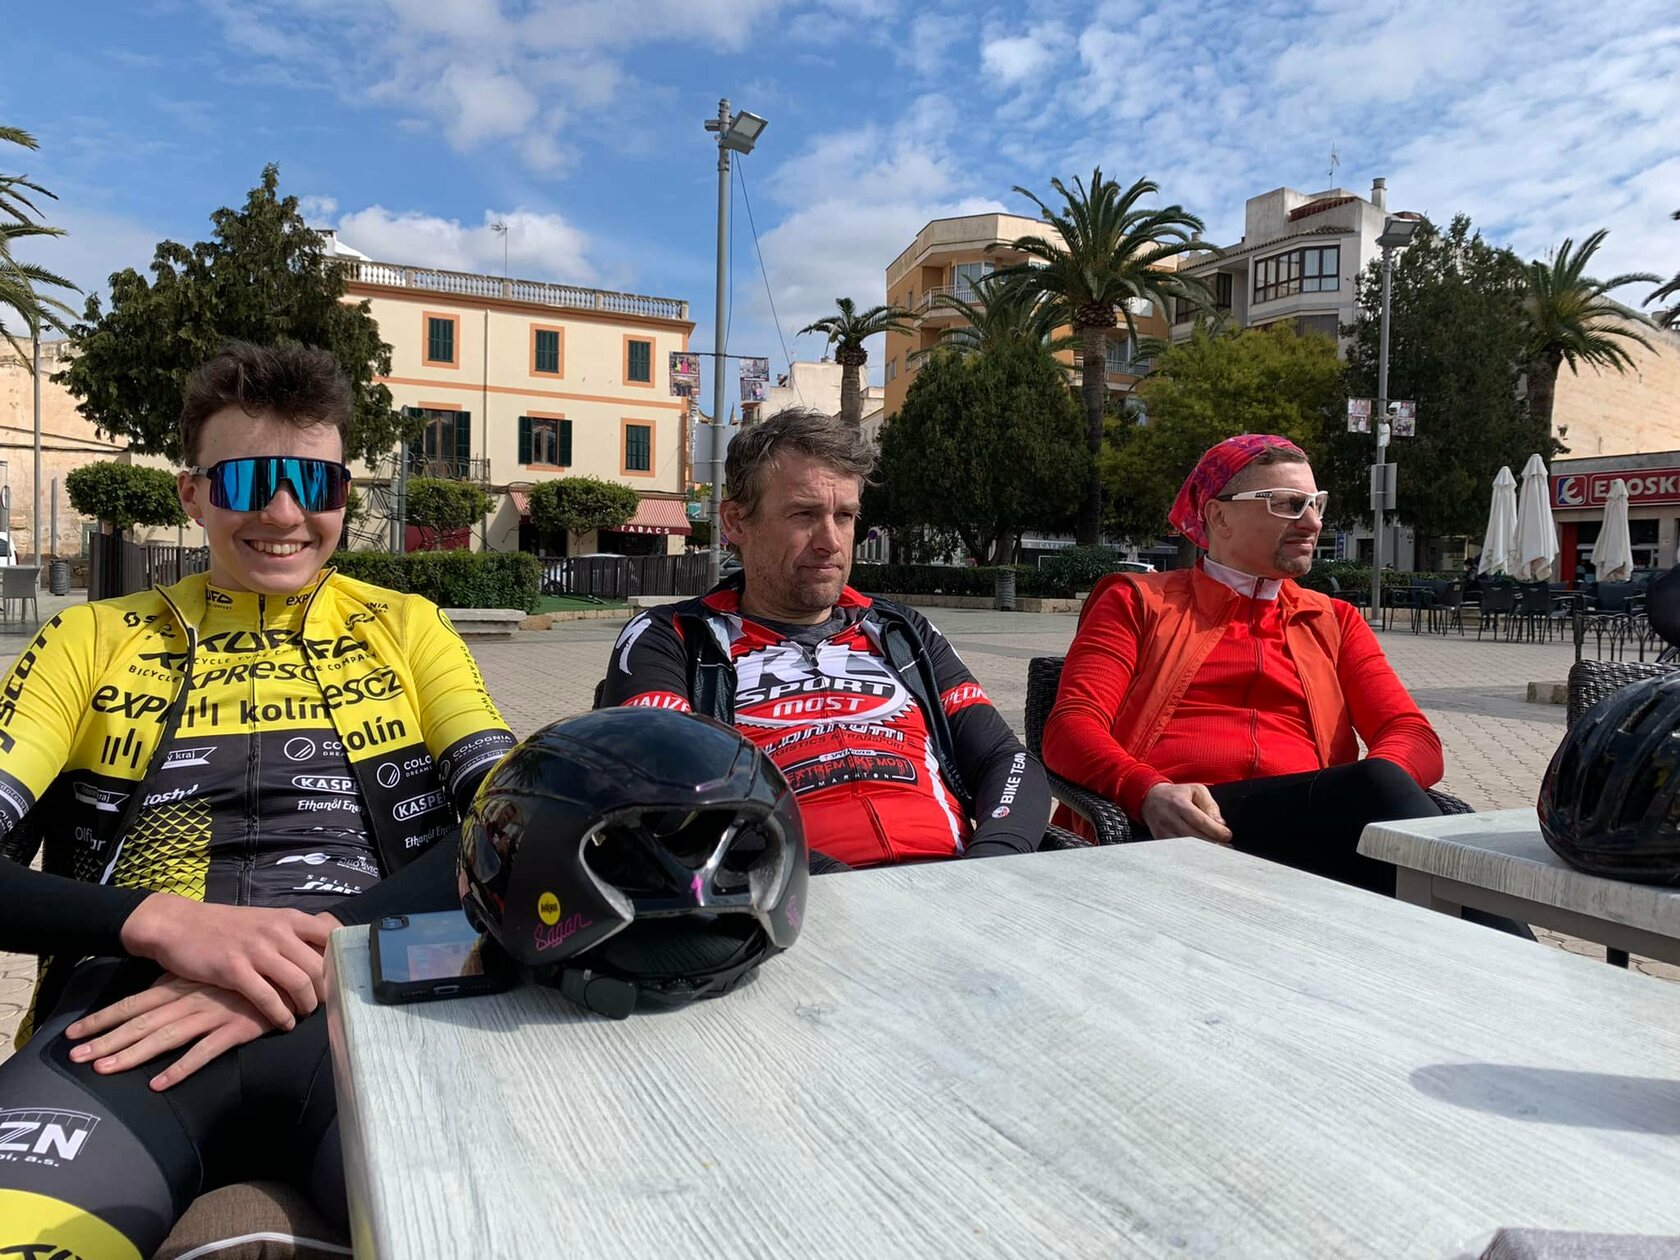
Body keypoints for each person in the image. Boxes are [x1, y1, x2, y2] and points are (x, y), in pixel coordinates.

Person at [0, 342, 514, 1257]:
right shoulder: (89, 637)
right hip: (129, 1016)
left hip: (375, 990)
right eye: (246, 481)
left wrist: (314, 952)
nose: (283, 513)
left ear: (344, 495)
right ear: (192, 495)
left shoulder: (408, 625)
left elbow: (519, 819)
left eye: (314, 482)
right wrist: (161, 923)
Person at [599, 407, 1049, 871]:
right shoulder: (672, 636)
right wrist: (826, 883)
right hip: (791, 896)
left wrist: (992, 865)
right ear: (735, 522)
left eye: (845, 516)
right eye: (804, 514)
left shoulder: (902, 631)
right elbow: (667, 790)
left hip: (957, 879)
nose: (830, 541)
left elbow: (1006, 760)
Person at [1042, 434, 1447, 895]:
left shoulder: (1334, 620)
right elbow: (1071, 727)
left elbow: (1412, 735)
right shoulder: (1138, 601)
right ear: (1219, 516)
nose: (1313, 522)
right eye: (1288, 504)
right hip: (1171, 826)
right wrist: (1146, 791)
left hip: (1312, 831)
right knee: (1389, 810)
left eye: (1316, 504)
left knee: (1383, 792)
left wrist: (1374, 793)